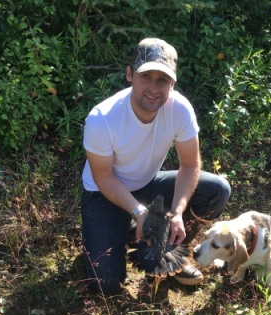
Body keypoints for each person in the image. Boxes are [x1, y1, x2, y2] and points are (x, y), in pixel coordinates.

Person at [81, 38, 231, 294]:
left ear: (172, 83)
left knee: (217, 189)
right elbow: (104, 178)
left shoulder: (179, 109)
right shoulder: (102, 118)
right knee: (105, 283)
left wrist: (177, 213)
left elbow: (190, 164)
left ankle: (168, 251)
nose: (153, 87)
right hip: (104, 194)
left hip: (148, 183)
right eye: (146, 76)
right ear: (130, 75)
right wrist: (139, 212)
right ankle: (119, 235)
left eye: (162, 79)